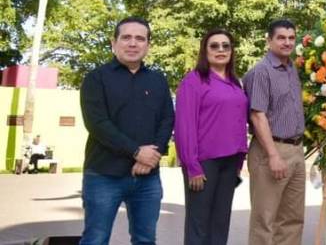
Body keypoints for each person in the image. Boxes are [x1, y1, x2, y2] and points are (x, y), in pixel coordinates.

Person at [79, 17, 174, 245]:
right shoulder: (96, 78)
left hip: (147, 179)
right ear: (114, 42)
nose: (133, 43)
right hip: (103, 175)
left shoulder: (158, 80)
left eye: (140, 38)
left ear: (148, 45)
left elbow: (167, 119)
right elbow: (97, 123)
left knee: (145, 240)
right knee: (95, 239)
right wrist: (136, 152)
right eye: (127, 37)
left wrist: (152, 156)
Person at [174, 29, 250, 245]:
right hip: (203, 163)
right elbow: (184, 126)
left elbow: (238, 122)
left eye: (226, 46)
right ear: (205, 51)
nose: (221, 50)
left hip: (230, 161)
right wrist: (192, 166)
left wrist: (239, 159)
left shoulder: (236, 83)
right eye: (214, 45)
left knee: (220, 223)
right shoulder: (194, 81)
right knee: (199, 225)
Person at [243, 19, 306, 245]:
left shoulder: (292, 69)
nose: (287, 42)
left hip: (296, 151)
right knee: (265, 221)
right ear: (269, 40)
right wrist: (273, 156)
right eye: (281, 38)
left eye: (291, 38)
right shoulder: (261, 72)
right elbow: (257, 116)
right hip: (271, 151)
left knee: (292, 219)